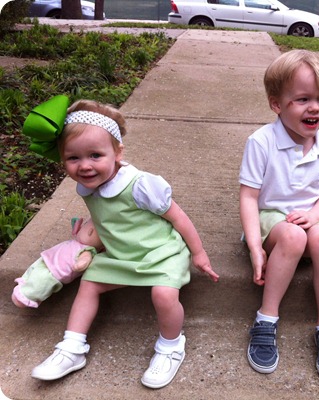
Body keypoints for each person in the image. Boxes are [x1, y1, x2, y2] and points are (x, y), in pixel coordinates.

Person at [21, 95, 219, 389]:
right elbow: (108, 218)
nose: (84, 166)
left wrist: (198, 253)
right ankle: (72, 347)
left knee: (164, 295)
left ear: (117, 152)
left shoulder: (139, 185)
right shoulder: (88, 186)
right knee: (89, 285)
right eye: (73, 158)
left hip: (161, 254)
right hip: (120, 256)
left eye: (95, 155)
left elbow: (178, 217)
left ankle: (171, 346)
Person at [239, 49, 319, 381]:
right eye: (302, 99)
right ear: (277, 104)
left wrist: (315, 216)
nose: (315, 107)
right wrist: (255, 247)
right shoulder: (261, 142)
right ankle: (266, 318)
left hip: (310, 216)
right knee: (292, 236)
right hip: (272, 219)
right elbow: (249, 197)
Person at [12, 217, 103, 308]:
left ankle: (25, 298)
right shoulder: (76, 241)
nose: (89, 230)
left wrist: (80, 265)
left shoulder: (88, 250)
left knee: (42, 282)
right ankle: (24, 283)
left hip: (55, 272)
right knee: (33, 271)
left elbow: (85, 259)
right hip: (47, 259)